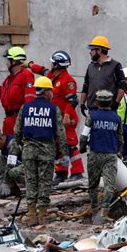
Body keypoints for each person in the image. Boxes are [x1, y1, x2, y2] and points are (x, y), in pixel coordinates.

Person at [15, 76, 68, 226]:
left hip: (29, 150)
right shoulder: (53, 109)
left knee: (31, 181)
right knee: (45, 182)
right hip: (46, 150)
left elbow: (17, 130)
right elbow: (60, 133)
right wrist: (63, 152)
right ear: (46, 92)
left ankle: (31, 214)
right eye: (51, 91)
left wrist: (21, 145)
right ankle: (43, 214)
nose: (52, 94)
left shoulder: (25, 107)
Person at [29, 51, 85, 184]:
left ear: (56, 64)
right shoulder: (51, 76)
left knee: (70, 145)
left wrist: (66, 115)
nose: (50, 64)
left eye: (52, 62)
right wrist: (30, 65)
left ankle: (77, 172)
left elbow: (72, 101)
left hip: (66, 118)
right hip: (55, 118)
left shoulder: (68, 80)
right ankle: (61, 172)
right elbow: (42, 70)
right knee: (57, 146)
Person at [79, 90, 123, 223]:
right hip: (110, 155)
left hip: (95, 155)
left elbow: (84, 135)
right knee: (109, 185)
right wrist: (119, 152)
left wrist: (81, 147)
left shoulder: (92, 116)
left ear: (97, 102)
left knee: (93, 185)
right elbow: (120, 138)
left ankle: (94, 210)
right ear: (110, 102)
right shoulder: (116, 118)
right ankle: (104, 212)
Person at [0, 46, 36, 135]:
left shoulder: (26, 75)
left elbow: (30, 99)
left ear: (15, 61)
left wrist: (26, 122)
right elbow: (2, 94)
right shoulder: (9, 79)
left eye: (8, 60)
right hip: (8, 122)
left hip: (19, 120)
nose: (6, 63)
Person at [80, 36, 126, 116]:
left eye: (92, 50)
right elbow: (86, 86)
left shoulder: (115, 66)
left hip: (109, 110)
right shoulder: (90, 66)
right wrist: (82, 103)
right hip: (92, 109)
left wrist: (116, 102)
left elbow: (122, 85)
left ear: (99, 50)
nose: (90, 52)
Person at [0, 129, 24, 196]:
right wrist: (1, 185)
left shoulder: (13, 143)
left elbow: (10, 165)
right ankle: (13, 192)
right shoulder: (4, 151)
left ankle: (36, 187)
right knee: (1, 159)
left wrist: (5, 182)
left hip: (32, 167)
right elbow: (2, 171)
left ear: (0, 139)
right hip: (22, 165)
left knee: (12, 172)